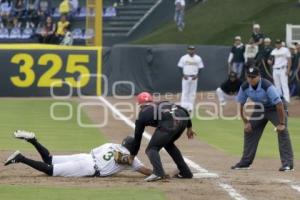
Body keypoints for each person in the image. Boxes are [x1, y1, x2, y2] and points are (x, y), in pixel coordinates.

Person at [4, 130, 152, 177]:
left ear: (123, 143)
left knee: (50, 159)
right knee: (51, 171)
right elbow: (145, 171)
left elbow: (93, 151)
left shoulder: (111, 145)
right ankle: (21, 158)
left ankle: (33, 140)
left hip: (85, 157)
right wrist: (160, 173)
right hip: (89, 168)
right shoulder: (133, 160)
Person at [231, 67, 294, 171]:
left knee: (282, 131)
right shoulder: (244, 86)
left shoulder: (266, 85)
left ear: (259, 76)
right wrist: (246, 122)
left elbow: (279, 104)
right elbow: (241, 105)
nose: (251, 79)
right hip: (260, 108)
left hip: (276, 108)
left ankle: (288, 164)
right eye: (249, 77)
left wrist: (282, 123)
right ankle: (245, 162)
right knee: (249, 130)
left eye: (253, 77)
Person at [128, 92, 196, 182]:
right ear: (151, 100)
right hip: (182, 120)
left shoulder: (142, 115)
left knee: (151, 149)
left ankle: (158, 173)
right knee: (168, 144)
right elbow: (184, 110)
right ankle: (185, 172)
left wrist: (132, 155)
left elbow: (137, 138)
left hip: (169, 123)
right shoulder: (163, 102)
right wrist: (189, 128)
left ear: (140, 104)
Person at [178, 45, 204, 112]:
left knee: (192, 93)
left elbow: (200, 68)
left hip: (194, 77)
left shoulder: (198, 58)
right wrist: (183, 75)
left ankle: (190, 107)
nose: (191, 50)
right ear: (187, 50)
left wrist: (197, 75)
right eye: (190, 49)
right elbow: (180, 67)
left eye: (192, 49)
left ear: (194, 50)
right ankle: (183, 107)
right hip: (186, 77)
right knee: (185, 92)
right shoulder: (183, 58)